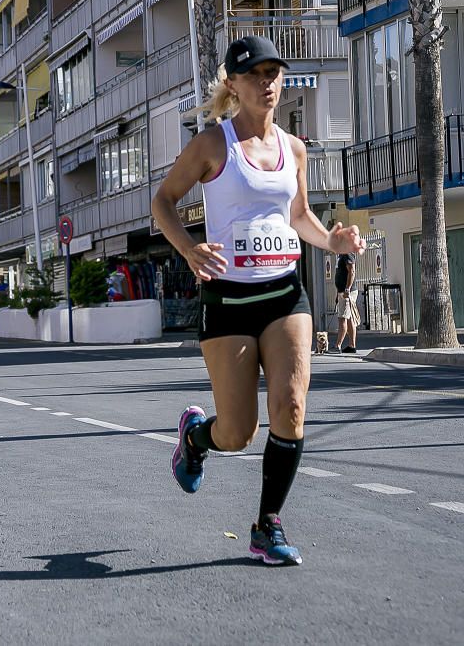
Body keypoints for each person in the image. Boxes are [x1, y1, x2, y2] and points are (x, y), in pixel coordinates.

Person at [151, 36, 365, 566]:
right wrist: (189, 248)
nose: (267, 82)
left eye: (273, 72)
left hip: (285, 294)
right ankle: (198, 439)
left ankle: (267, 524)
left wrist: (332, 240)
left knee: (291, 408)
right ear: (233, 84)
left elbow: (297, 217)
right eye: (254, 74)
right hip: (228, 300)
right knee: (238, 430)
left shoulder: (295, 149)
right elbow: (163, 201)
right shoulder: (211, 145)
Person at [334, 252, 359, 353]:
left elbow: (351, 271)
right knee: (348, 318)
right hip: (342, 291)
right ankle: (352, 346)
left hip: (347, 292)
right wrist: (337, 294)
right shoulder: (340, 255)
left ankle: (337, 346)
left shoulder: (347, 253)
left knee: (342, 318)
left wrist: (347, 289)